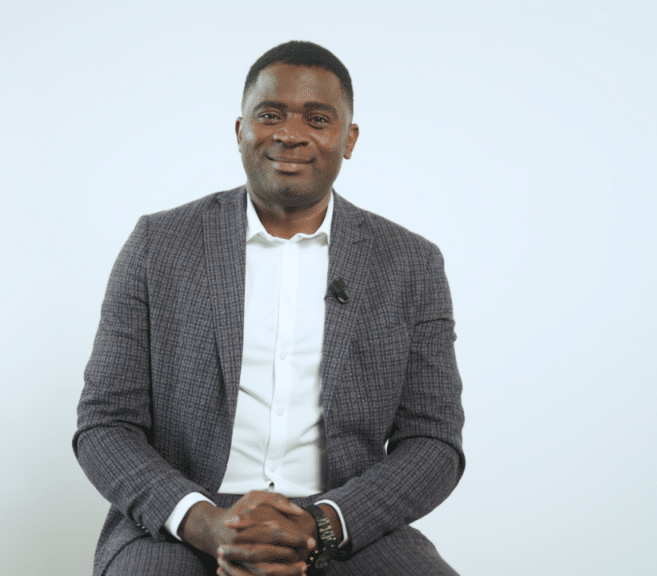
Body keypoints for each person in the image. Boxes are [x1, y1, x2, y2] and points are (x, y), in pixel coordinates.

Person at [73, 40, 465, 576]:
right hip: (184, 518)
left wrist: (323, 525)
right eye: (270, 114)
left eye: (317, 119)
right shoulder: (157, 244)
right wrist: (207, 524)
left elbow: (433, 440)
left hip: (346, 520)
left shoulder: (410, 263)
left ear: (348, 139)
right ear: (240, 130)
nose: (290, 134)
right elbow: (105, 423)